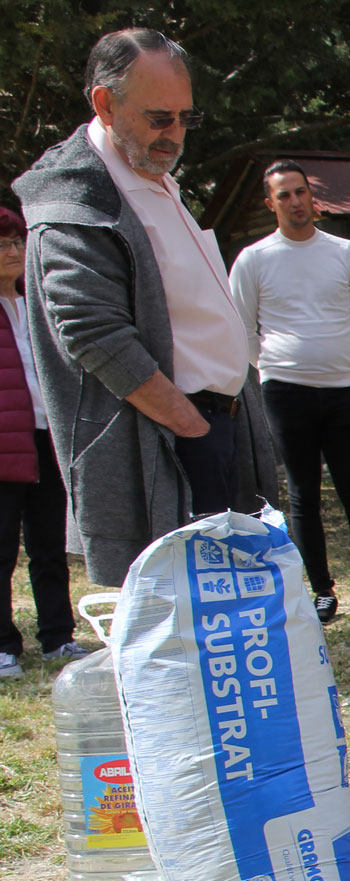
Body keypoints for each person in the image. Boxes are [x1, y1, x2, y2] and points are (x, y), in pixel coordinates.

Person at [15, 28, 277, 586]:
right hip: (167, 440)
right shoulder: (77, 196)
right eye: (160, 118)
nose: (175, 135)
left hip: (211, 426)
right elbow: (92, 335)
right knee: (178, 625)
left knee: (223, 623)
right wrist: (190, 426)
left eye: (186, 119)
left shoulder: (148, 173)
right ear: (104, 103)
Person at [228, 161, 350, 625]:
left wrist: (335, 360)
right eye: (284, 196)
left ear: (311, 196)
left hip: (340, 387)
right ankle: (321, 590)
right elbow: (241, 328)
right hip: (283, 390)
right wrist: (280, 365)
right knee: (303, 495)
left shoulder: (345, 252)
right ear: (270, 203)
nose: (295, 203)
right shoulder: (254, 259)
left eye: (301, 192)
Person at [0, 208, 89, 677]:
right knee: (1, 550)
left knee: (49, 546)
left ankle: (58, 638)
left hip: (44, 436)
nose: (15, 252)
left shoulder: (35, 303)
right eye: (4, 245)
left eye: (18, 242)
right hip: (3, 444)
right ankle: (3, 646)